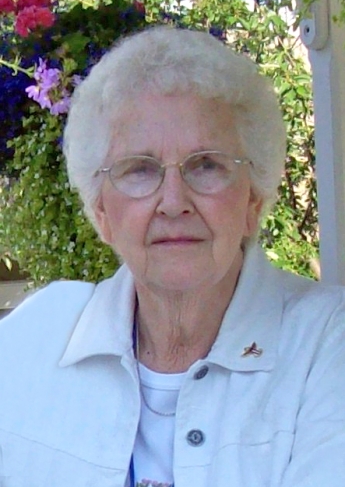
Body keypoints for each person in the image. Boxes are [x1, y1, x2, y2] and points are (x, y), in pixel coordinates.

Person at [0, 26, 344, 487]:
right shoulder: (37, 334)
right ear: (101, 210)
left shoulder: (326, 344)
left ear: (254, 199)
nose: (173, 201)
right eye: (139, 170)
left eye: (207, 165)